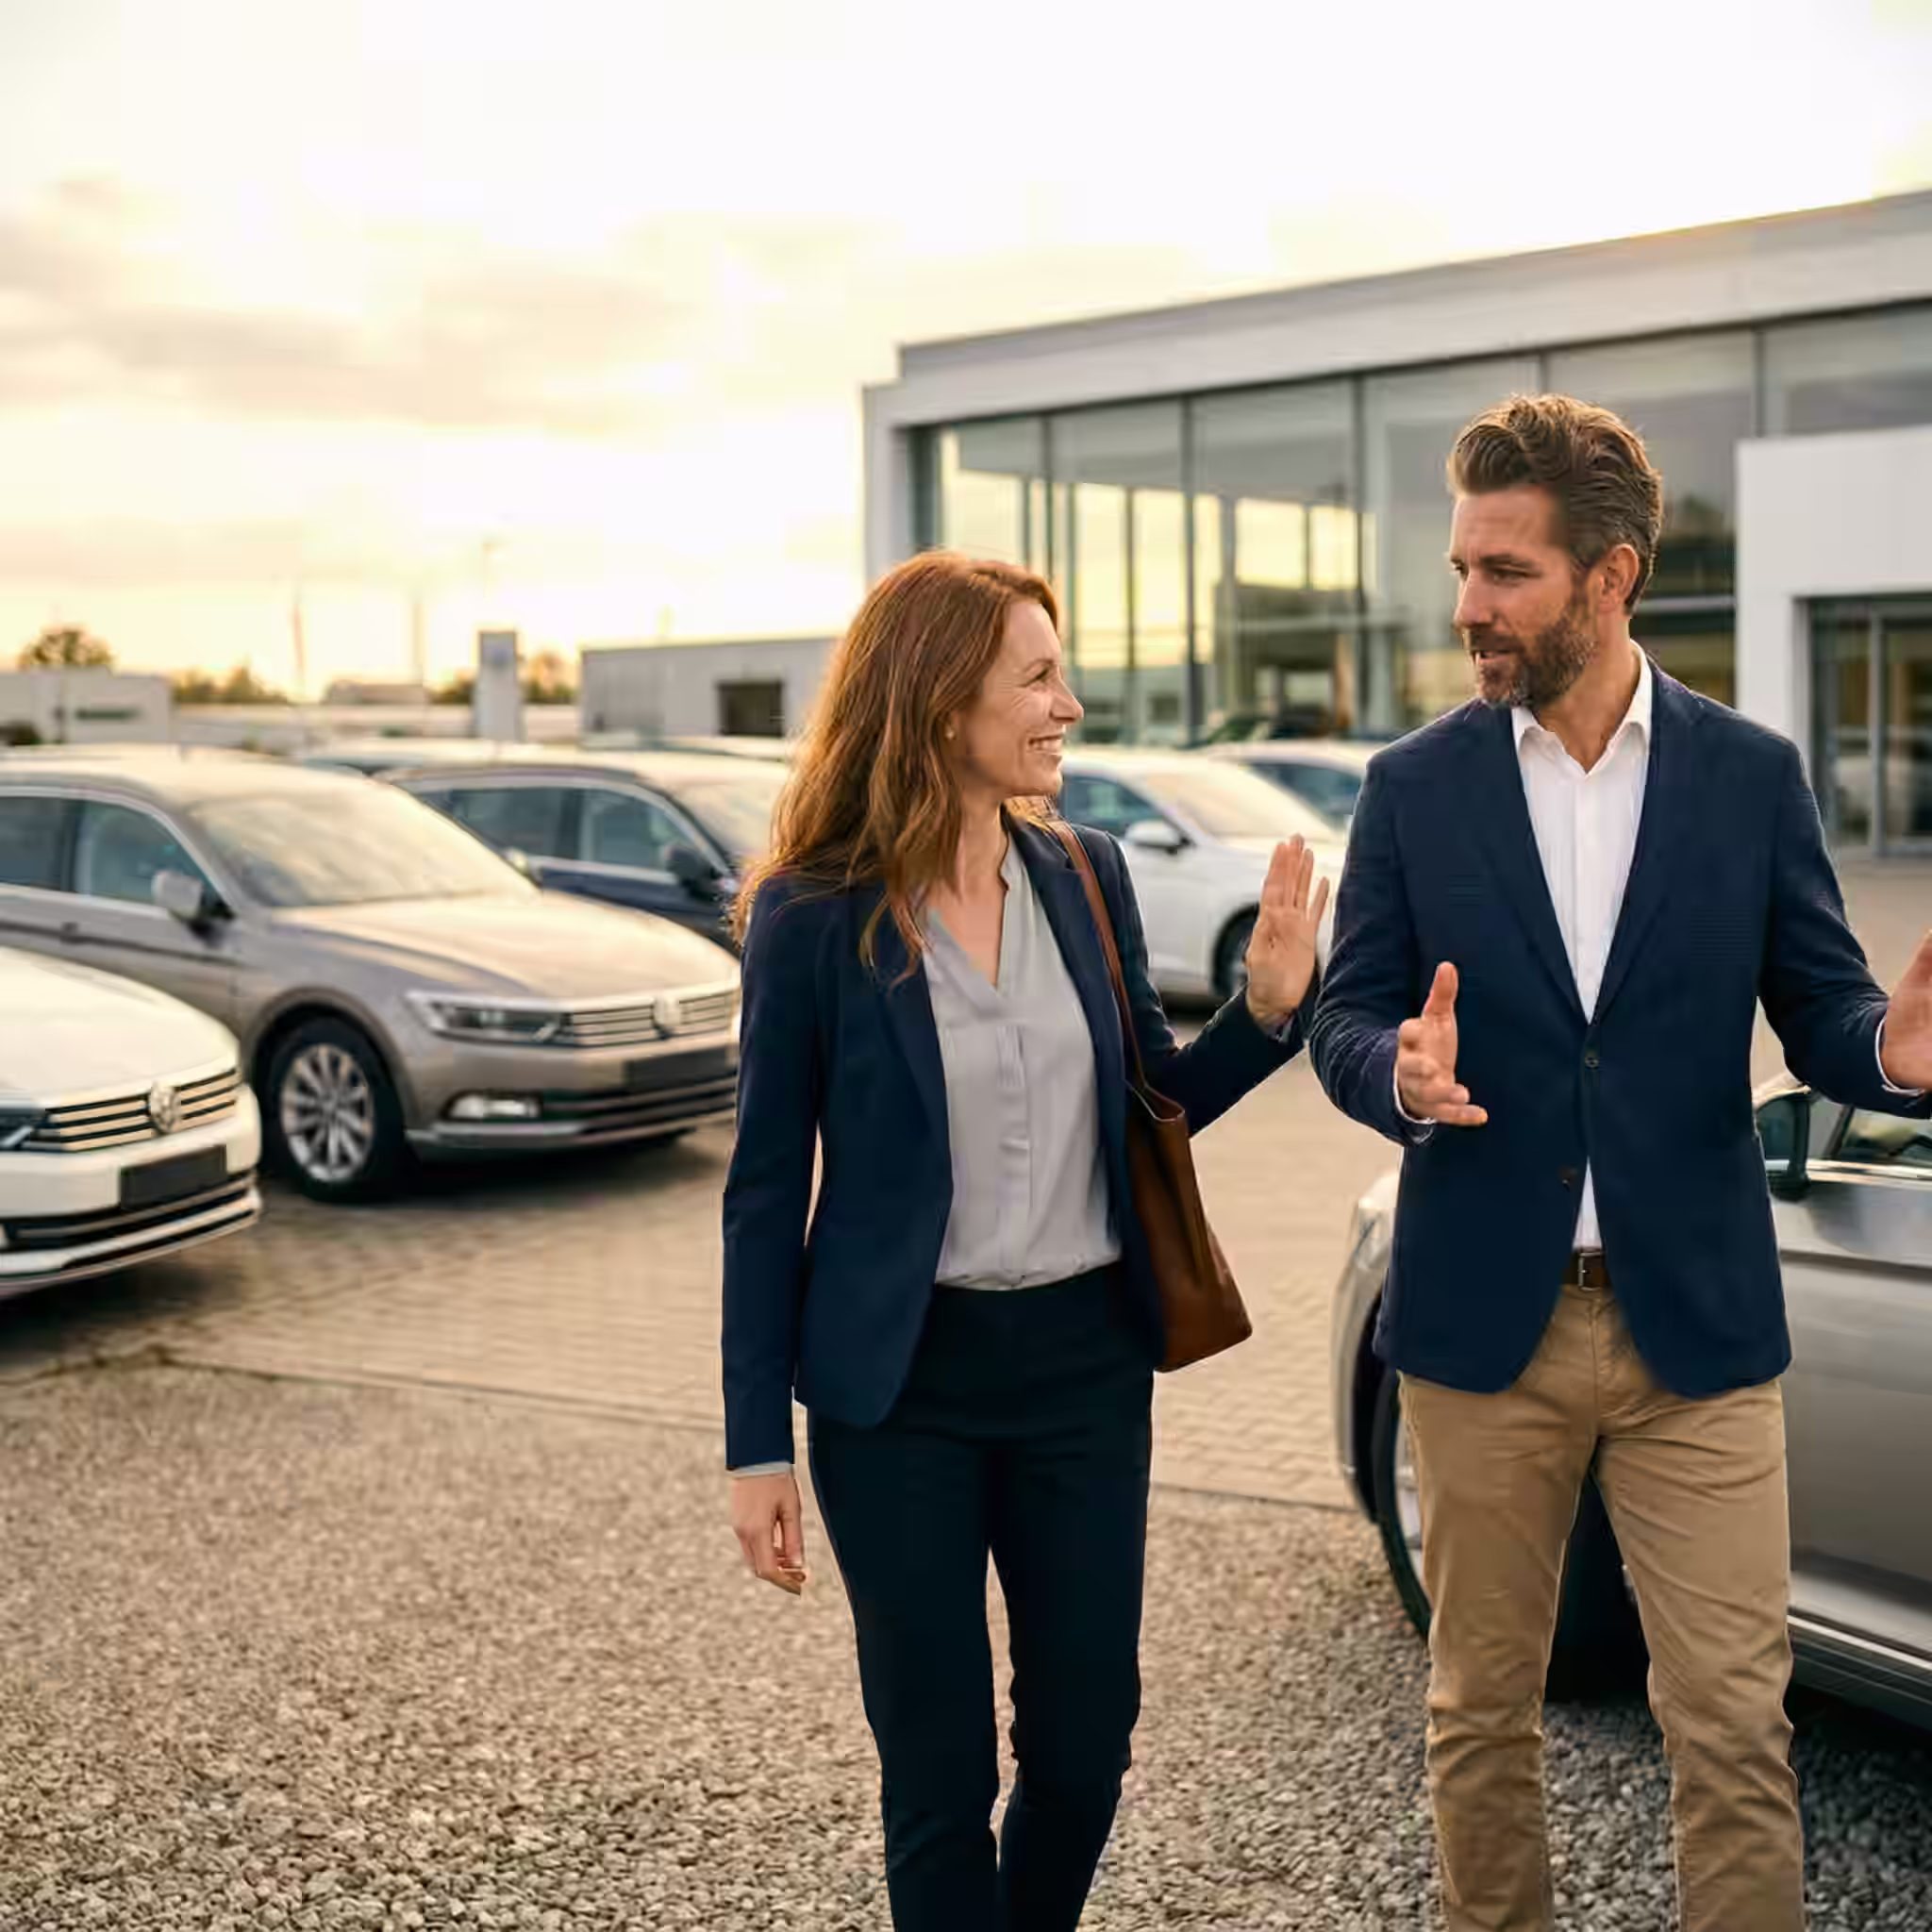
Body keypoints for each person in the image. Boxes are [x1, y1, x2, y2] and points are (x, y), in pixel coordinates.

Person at [1308, 393, 1932, 1932]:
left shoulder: (1748, 777)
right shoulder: (1414, 787)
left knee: (1731, 1729)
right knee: (1478, 1720)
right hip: (1480, 1334)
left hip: (1697, 1336)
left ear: (1613, 576)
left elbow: (1828, 1009)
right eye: (1462, 567)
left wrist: (1894, 1063)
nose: (1469, 606)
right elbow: (1346, 1018)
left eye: (1506, 571)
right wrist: (1394, 1067)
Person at [721, 551, 1329, 1932]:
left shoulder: (1085, 873)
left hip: (1080, 1375)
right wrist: (754, 1438)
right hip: (900, 1395)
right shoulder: (815, 916)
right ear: (943, 704)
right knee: (936, 1774)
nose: (1069, 705)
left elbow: (1150, 1109)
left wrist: (1268, 1010)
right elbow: (763, 1193)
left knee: (1083, 1744)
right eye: (1039, 677)